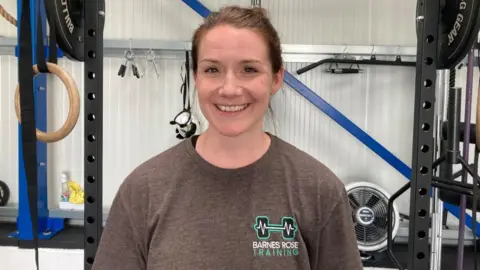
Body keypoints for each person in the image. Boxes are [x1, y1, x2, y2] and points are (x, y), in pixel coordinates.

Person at [92, 5, 363, 270]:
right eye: (212, 70)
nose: (230, 89)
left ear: (276, 78)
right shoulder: (143, 190)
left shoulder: (319, 190)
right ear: (196, 77)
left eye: (249, 70)